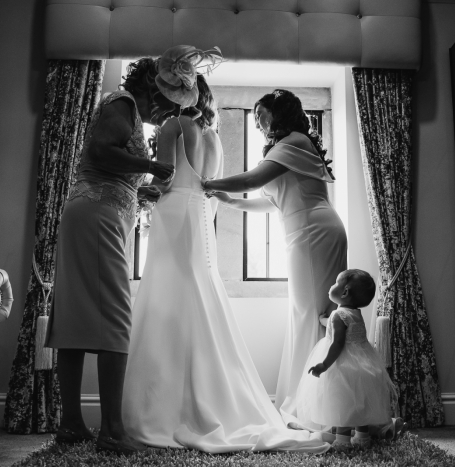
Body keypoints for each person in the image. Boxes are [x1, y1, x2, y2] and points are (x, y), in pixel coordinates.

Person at [122, 47, 330, 454]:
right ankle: (211, 401)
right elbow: (210, 190)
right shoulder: (214, 137)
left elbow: (164, 181)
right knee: (200, 301)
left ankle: (163, 409)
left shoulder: (173, 127)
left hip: (175, 217)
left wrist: (135, 192)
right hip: (201, 222)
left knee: (167, 304)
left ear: (170, 94)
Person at [44, 57, 176, 454]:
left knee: (75, 315)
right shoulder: (123, 103)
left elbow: (109, 165)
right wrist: (152, 165)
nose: (166, 111)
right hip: (98, 213)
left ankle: (71, 423)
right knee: (116, 317)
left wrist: (142, 189)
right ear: (154, 89)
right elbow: (102, 151)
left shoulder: (122, 107)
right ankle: (113, 431)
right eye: (167, 101)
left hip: (94, 211)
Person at [202, 89, 348, 424]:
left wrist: (205, 183)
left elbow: (254, 180)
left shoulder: (294, 141)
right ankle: (310, 401)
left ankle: (312, 406)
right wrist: (232, 202)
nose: (256, 122)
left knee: (311, 315)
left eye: (260, 114)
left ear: (278, 113)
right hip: (306, 231)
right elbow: (275, 201)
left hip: (314, 232)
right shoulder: (289, 146)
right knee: (307, 315)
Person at [296, 269, 397, 450]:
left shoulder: (338, 315)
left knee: (342, 403)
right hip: (364, 362)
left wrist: (324, 365)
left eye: (336, 283)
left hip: (344, 364)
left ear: (344, 292)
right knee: (360, 403)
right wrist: (324, 321)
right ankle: (362, 437)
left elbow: (338, 342)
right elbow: (343, 327)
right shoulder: (355, 313)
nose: (331, 286)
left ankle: (342, 442)